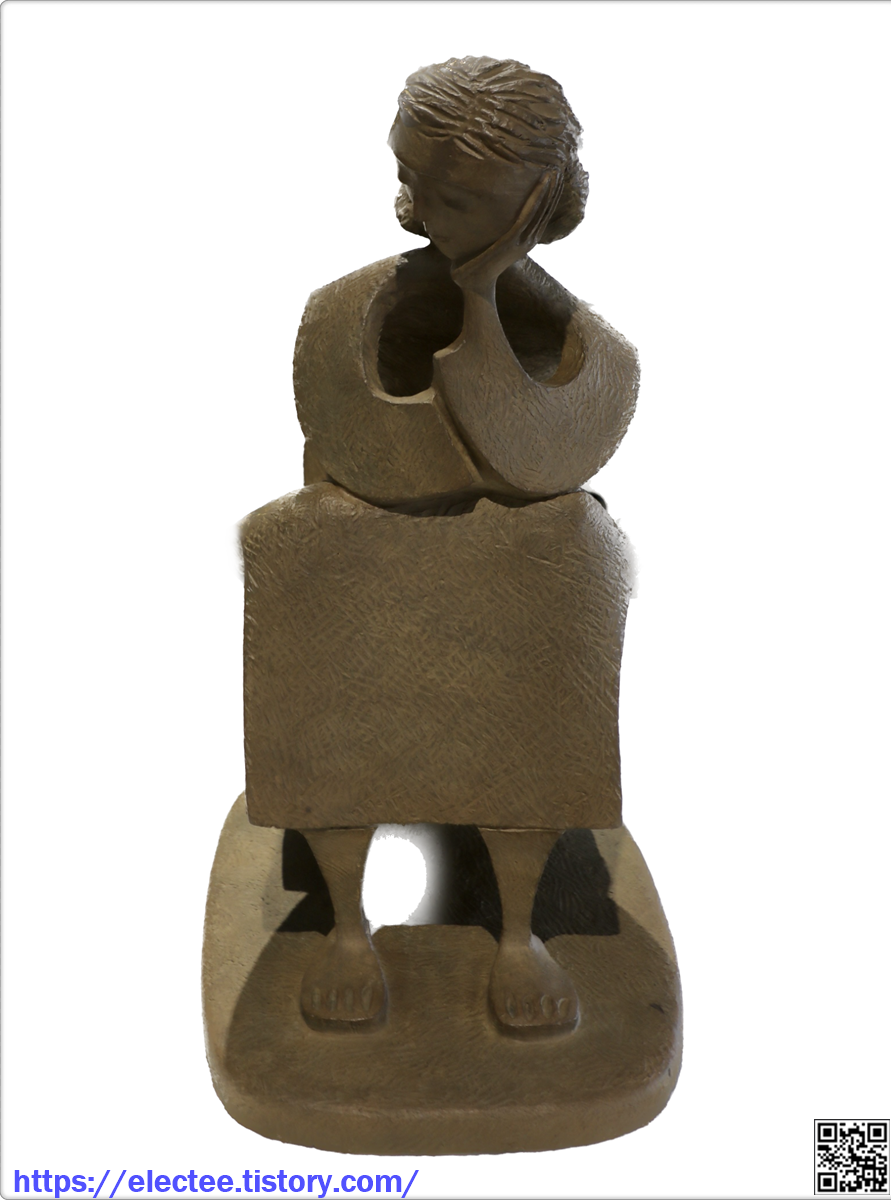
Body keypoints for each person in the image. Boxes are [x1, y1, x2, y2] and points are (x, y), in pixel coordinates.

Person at [248, 57, 639, 1035]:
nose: (410, 211)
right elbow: (360, 457)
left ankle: (521, 928)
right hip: (362, 563)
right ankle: (345, 921)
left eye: (452, 198)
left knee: (571, 556)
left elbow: (530, 457)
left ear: (534, 203)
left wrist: (483, 295)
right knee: (301, 549)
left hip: (518, 575)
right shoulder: (338, 316)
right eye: (406, 177)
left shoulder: (602, 360)